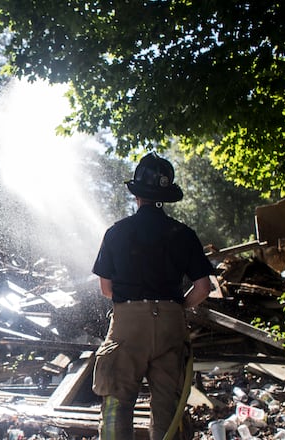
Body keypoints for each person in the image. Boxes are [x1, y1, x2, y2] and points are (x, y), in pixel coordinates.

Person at [91, 152, 214, 440]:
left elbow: (106, 289)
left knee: (116, 400)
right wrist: (176, 307)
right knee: (168, 406)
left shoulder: (116, 232)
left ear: (137, 195)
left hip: (128, 324)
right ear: (166, 196)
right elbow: (204, 288)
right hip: (171, 323)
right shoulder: (184, 234)